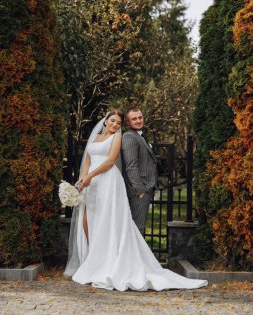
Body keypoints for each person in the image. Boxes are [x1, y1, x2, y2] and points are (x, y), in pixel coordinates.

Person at [64, 109, 207, 291]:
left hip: (107, 181)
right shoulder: (94, 139)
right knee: (87, 220)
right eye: (113, 121)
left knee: (106, 221)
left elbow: (109, 161)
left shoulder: (118, 138)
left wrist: (91, 175)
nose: (115, 125)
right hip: (91, 184)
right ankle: (94, 259)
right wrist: (82, 180)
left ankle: (108, 262)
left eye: (118, 123)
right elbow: (87, 162)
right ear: (105, 121)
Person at [121, 107, 157, 236]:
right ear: (127, 122)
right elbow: (131, 166)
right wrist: (140, 190)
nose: (138, 120)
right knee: (137, 229)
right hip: (138, 191)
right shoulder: (129, 137)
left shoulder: (139, 136)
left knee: (137, 228)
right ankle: (133, 256)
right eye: (134, 119)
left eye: (140, 117)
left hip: (144, 188)